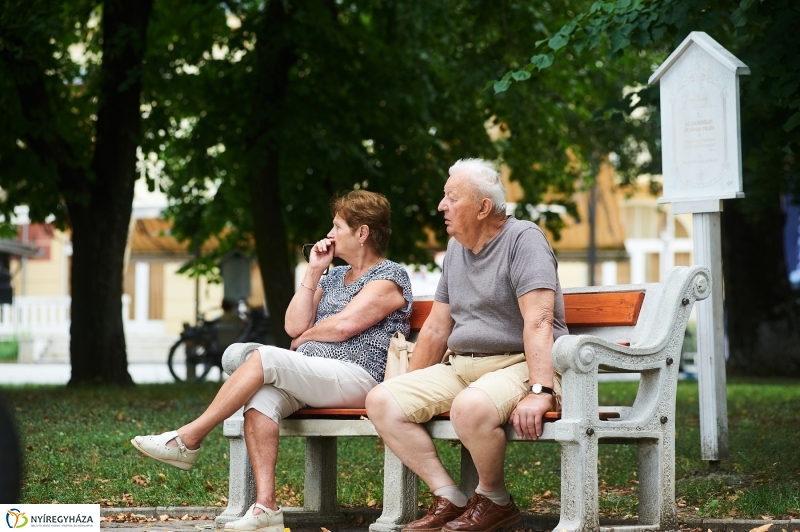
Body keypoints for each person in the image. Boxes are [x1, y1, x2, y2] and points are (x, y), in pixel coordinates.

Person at [132, 190, 413, 532]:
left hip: (360, 378)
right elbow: (293, 326)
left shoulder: (389, 277)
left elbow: (343, 327)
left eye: (337, 227)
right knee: (261, 399)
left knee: (264, 356)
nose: (329, 235)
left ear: (363, 232)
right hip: (315, 376)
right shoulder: (334, 277)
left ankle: (190, 438)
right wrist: (313, 273)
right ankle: (266, 507)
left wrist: (307, 337)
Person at [365, 158, 568, 532]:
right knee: (383, 400)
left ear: (483, 207)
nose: (442, 206)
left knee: (469, 408)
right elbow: (437, 328)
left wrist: (542, 390)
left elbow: (538, 321)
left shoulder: (524, 241)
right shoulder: (456, 249)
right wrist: (406, 388)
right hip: (463, 366)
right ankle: (452, 498)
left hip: (519, 363)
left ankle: (494, 501)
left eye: (451, 198)